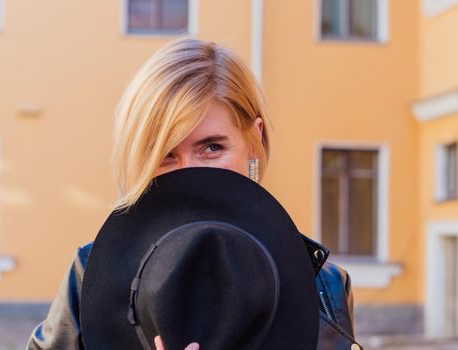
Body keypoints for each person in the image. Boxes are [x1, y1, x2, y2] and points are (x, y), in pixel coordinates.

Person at [27, 38, 361, 350]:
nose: (189, 171)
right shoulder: (90, 276)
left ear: (253, 143)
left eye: (212, 147)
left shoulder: (327, 285)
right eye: (165, 154)